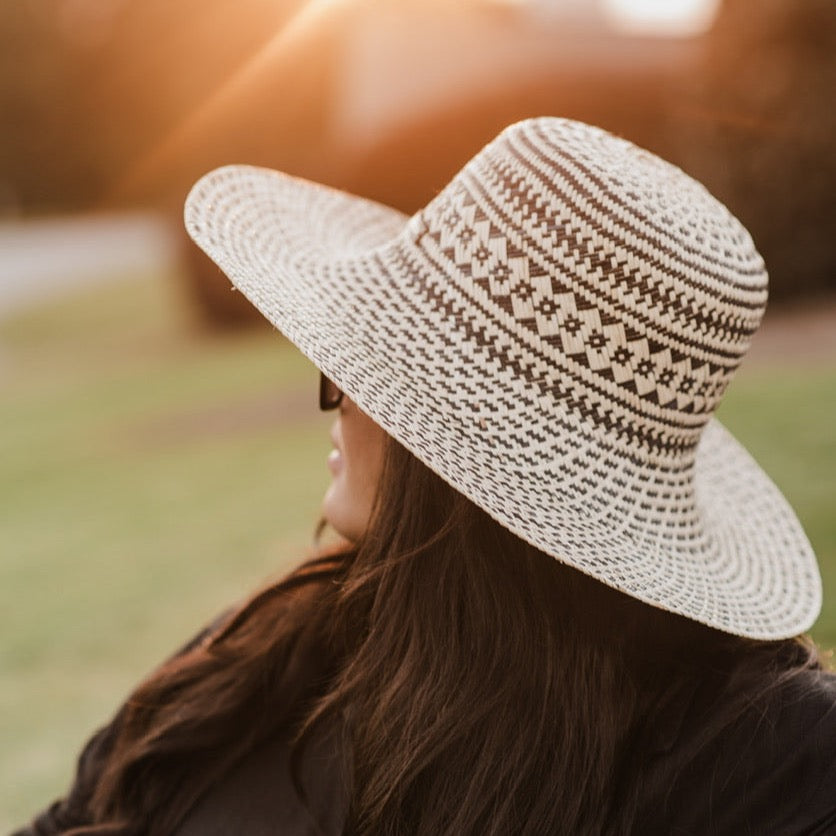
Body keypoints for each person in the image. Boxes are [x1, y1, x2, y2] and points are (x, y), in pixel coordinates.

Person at [15, 118, 835, 835]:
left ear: (459, 454)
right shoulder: (273, 649)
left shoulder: (760, 759)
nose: (332, 400)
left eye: (361, 375)